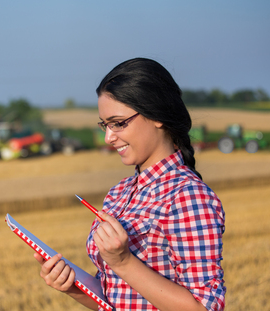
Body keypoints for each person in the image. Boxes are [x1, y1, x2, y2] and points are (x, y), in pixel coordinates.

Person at [34, 58, 226, 311]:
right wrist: (72, 285)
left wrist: (124, 261)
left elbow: (204, 308)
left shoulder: (188, 197)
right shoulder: (119, 193)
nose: (108, 137)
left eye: (118, 123)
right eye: (105, 125)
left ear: (156, 115)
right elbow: (119, 298)